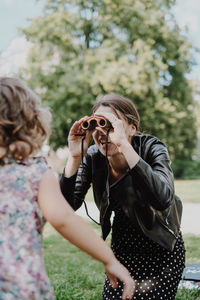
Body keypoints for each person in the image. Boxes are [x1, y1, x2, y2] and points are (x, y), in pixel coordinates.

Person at [0, 77, 135, 300]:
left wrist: (75, 156)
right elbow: (63, 217)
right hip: (17, 284)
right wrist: (109, 259)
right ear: (32, 121)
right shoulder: (34, 171)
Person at [60, 93, 185, 300]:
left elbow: (163, 198)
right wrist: (75, 157)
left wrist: (124, 146)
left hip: (162, 249)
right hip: (123, 249)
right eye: (96, 124)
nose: (101, 132)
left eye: (109, 124)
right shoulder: (93, 156)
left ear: (132, 128)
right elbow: (65, 207)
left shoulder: (152, 148)